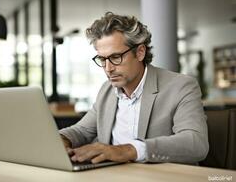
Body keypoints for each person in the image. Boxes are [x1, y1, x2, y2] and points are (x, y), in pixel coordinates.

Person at [59, 12, 209, 164]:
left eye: (116, 57)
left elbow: (196, 143)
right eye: (102, 59)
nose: (108, 68)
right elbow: (81, 131)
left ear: (140, 52)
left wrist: (127, 151)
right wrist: (60, 140)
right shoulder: (107, 90)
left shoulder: (181, 86)